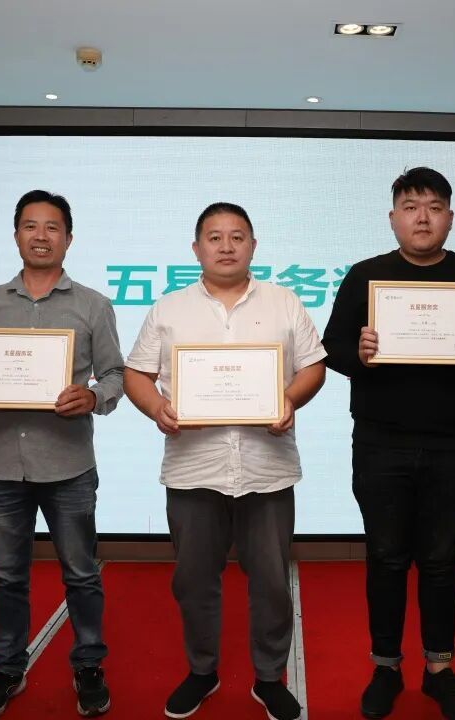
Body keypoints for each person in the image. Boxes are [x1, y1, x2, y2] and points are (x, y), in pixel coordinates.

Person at [123, 202, 326, 720]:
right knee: (194, 581)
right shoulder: (169, 309)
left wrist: (289, 400)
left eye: (238, 236)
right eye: (215, 237)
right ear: (196, 249)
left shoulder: (284, 302)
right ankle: (202, 671)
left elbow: (314, 367)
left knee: (272, 583)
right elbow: (136, 374)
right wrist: (157, 408)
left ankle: (269, 677)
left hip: (267, 469)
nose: (227, 246)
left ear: (253, 245)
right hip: (193, 469)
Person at [322, 167, 455, 720]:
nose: (422, 217)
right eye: (410, 206)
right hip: (379, 443)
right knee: (385, 557)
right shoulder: (366, 276)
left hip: (451, 442)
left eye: (433, 207)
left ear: (450, 217)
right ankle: (385, 666)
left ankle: (439, 669)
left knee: (440, 560)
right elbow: (333, 348)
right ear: (393, 218)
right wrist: (360, 351)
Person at [0, 189, 123, 720]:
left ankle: (88, 665)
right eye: (30, 226)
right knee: (7, 577)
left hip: (68, 466)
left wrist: (93, 397)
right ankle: (6, 669)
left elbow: (115, 374)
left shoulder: (93, 305)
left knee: (81, 574)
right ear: (16, 235)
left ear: (69, 238)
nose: (41, 236)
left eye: (52, 227)